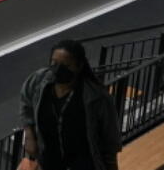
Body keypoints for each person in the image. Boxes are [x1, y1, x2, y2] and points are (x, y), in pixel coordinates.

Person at [20, 39, 121, 170]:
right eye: (54, 63)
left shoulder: (97, 98)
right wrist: (29, 135)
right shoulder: (38, 82)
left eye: (66, 65)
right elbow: (26, 102)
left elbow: (110, 142)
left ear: (79, 66)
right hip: (49, 164)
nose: (58, 69)